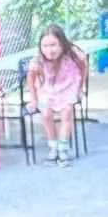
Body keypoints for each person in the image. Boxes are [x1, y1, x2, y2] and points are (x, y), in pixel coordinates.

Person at [26, 24, 87, 168]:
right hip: (47, 90)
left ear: (62, 43)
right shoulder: (38, 60)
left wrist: (80, 87)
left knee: (67, 113)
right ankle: (53, 148)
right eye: (45, 46)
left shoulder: (73, 53)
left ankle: (62, 149)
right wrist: (33, 99)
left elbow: (84, 65)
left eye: (53, 45)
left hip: (69, 86)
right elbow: (31, 77)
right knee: (46, 114)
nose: (49, 50)